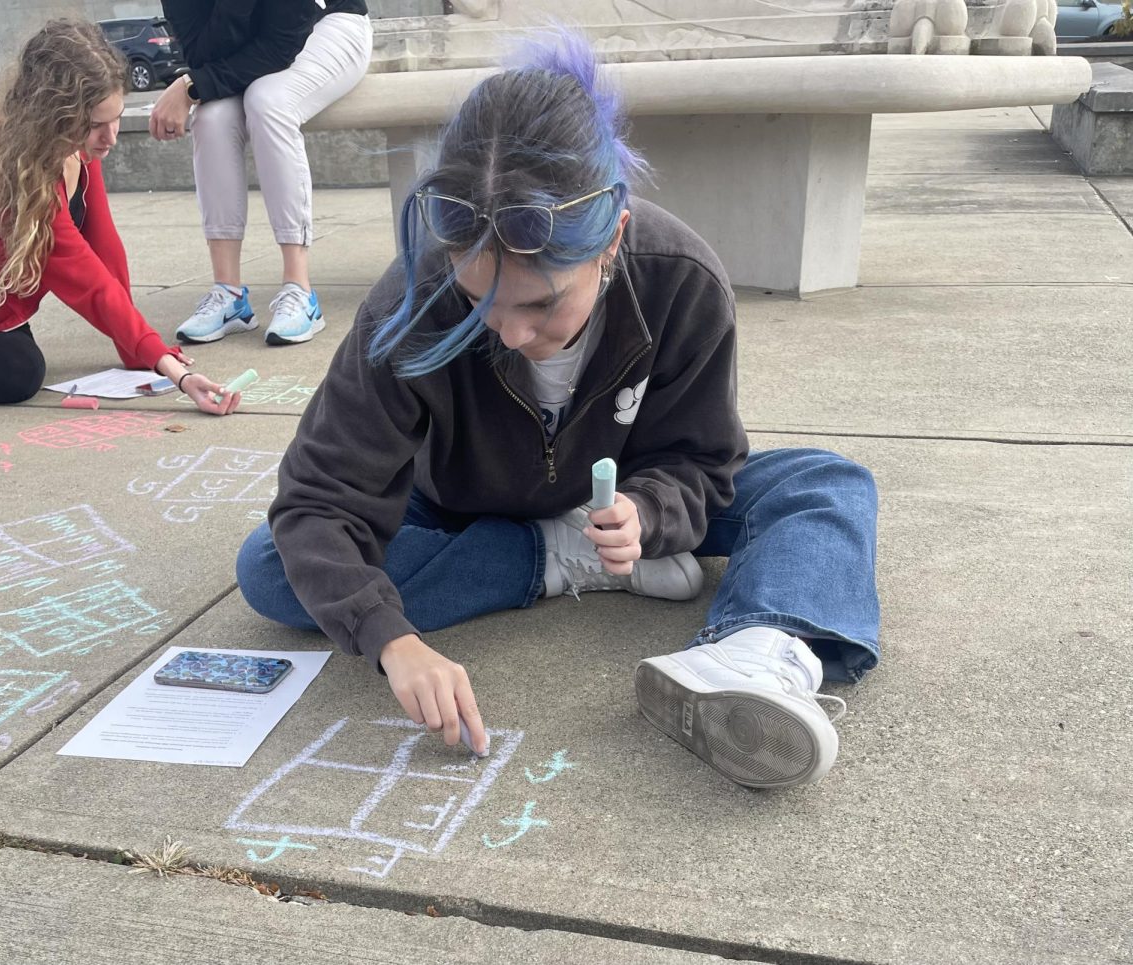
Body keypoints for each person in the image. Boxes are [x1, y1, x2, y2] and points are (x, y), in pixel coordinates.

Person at [236, 36, 881, 790]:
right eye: (481, 303)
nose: (510, 333)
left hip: (621, 504)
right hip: (459, 500)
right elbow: (318, 499)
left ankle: (756, 647)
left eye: (543, 304)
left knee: (827, 486)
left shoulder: (683, 279)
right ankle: (548, 557)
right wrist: (391, 640)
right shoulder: (408, 302)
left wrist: (649, 513)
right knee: (272, 565)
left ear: (612, 237)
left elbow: (704, 462)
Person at [0, 19, 240, 415]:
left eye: (115, 118)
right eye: (96, 125)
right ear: (51, 117)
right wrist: (174, 372)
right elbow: (83, 275)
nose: (111, 137)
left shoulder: (74, 150)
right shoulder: (7, 169)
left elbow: (104, 246)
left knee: (19, 373)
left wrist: (136, 349)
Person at [150, 0, 372, 346]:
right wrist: (195, 81)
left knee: (269, 102)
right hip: (255, 46)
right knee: (211, 119)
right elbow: (201, 53)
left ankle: (300, 290)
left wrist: (191, 86)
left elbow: (281, 44)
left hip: (331, 25)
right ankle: (228, 294)